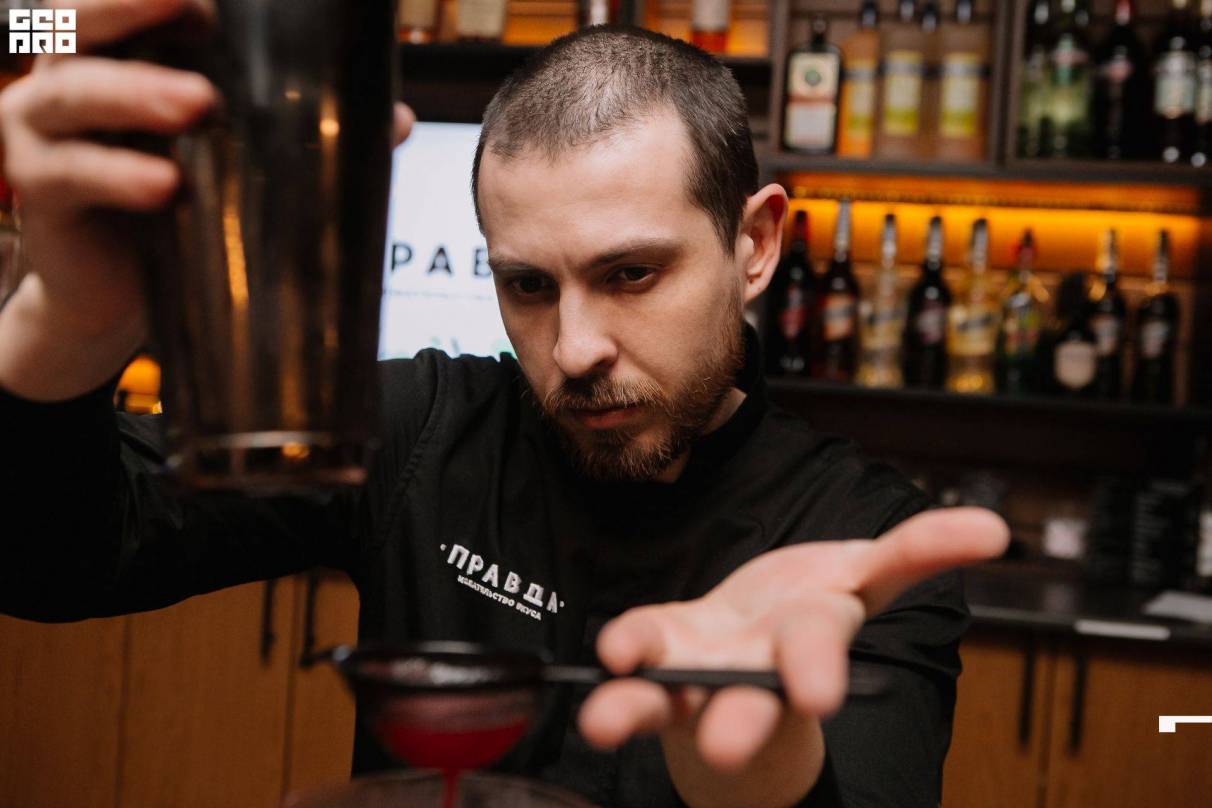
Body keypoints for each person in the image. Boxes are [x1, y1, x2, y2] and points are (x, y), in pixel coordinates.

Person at [0, 3, 1008, 806]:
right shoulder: (422, 429)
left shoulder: (865, 542)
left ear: (755, 245)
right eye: (527, 285)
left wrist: (750, 761)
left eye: (632, 274)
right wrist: (72, 327)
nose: (573, 349)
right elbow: (58, 556)